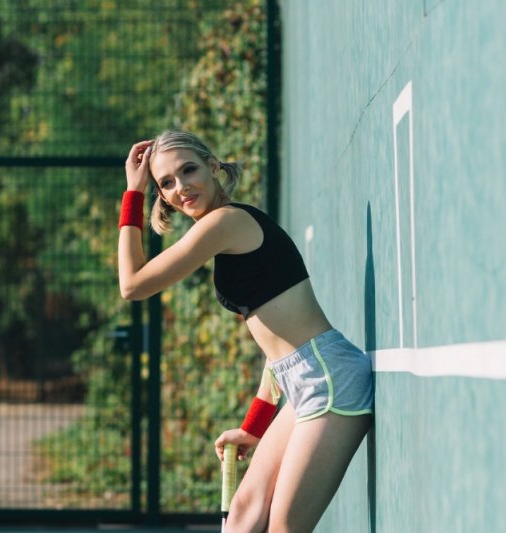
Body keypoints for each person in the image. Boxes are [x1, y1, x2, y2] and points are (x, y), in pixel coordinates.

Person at [118, 130, 374, 533]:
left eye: (189, 170)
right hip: (303, 382)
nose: (181, 187)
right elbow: (277, 350)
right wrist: (253, 426)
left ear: (213, 167)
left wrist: (133, 192)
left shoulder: (226, 222)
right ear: (163, 197)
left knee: (283, 528)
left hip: (330, 380)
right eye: (166, 182)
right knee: (243, 516)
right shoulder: (222, 230)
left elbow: (132, 285)